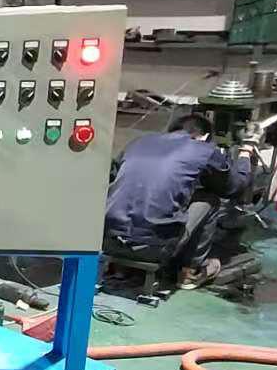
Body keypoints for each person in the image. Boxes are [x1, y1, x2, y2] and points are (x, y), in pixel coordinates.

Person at [103, 113, 255, 289]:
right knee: (210, 200)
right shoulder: (202, 150)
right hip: (153, 249)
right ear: (204, 137)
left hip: (108, 242)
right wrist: (246, 151)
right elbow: (234, 187)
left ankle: (120, 268)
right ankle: (190, 273)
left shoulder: (138, 143)